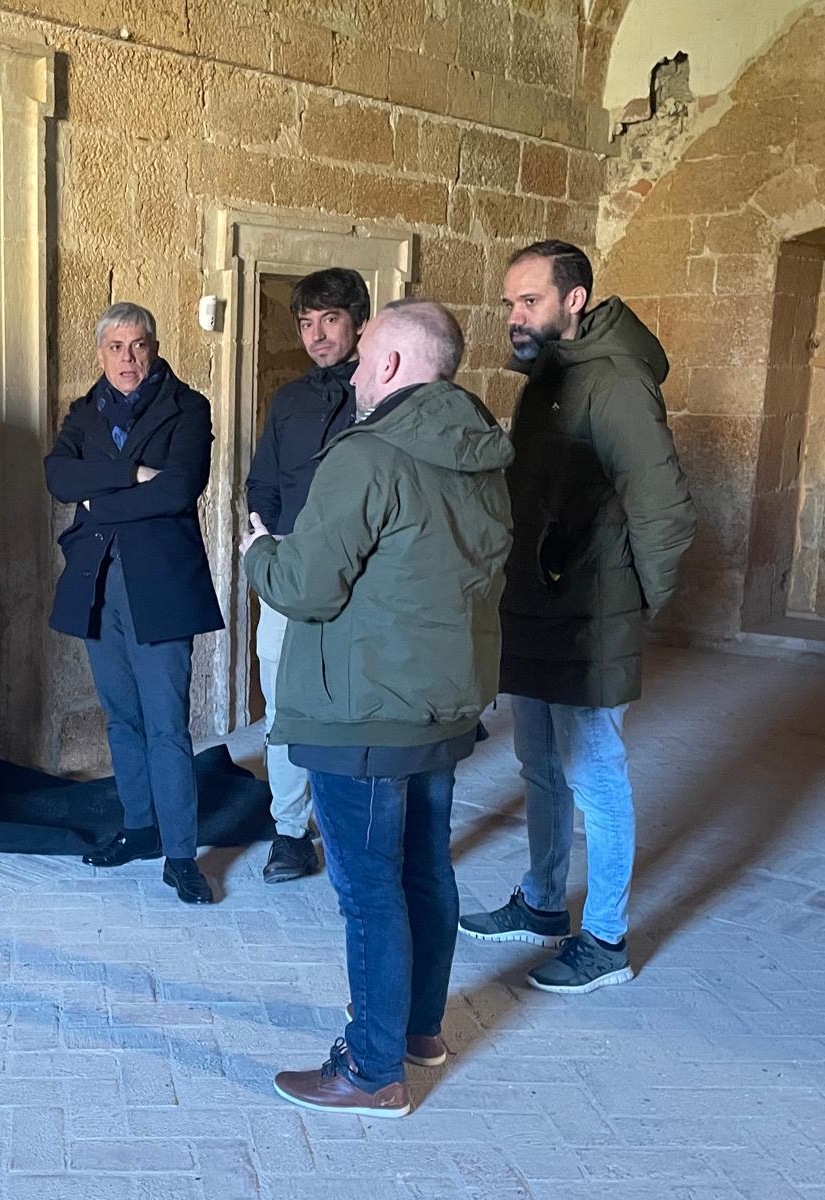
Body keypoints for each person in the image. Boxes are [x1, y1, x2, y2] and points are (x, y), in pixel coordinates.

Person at [242, 298, 514, 1118]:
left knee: (368, 892)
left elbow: (305, 589)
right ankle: (419, 1031)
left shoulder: (367, 456)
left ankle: (370, 1070)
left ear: (392, 364)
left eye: (362, 358)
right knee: (425, 870)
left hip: (362, 711)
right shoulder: (484, 453)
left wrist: (260, 553)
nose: (353, 371)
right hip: (441, 704)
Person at [459, 241, 695, 993]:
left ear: (575, 300)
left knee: (595, 777)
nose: (514, 316)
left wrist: (634, 605)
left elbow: (666, 513)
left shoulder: (616, 383)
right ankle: (541, 901)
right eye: (509, 303)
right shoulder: (548, 379)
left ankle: (606, 940)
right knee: (540, 766)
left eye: (529, 300)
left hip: (590, 619)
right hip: (536, 609)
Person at [45, 302, 226, 904]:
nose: (128, 358)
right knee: (121, 718)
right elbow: (57, 479)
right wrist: (131, 474)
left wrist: (100, 497)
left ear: (153, 346)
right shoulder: (83, 410)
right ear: (100, 353)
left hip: (161, 585)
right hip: (98, 583)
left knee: (167, 726)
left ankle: (180, 856)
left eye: (139, 345)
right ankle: (139, 827)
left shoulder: (187, 407)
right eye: (116, 347)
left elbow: (178, 489)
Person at [244, 267, 370, 884]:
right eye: (307, 323)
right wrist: (263, 536)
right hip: (291, 568)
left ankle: (350, 832)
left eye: (330, 320)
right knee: (283, 705)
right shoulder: (289, 400)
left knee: (351, 704)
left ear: (358, 323)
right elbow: (260, 481)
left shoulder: (380, 396)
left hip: (361, 572)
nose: (317, 335)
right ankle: (290, 833)